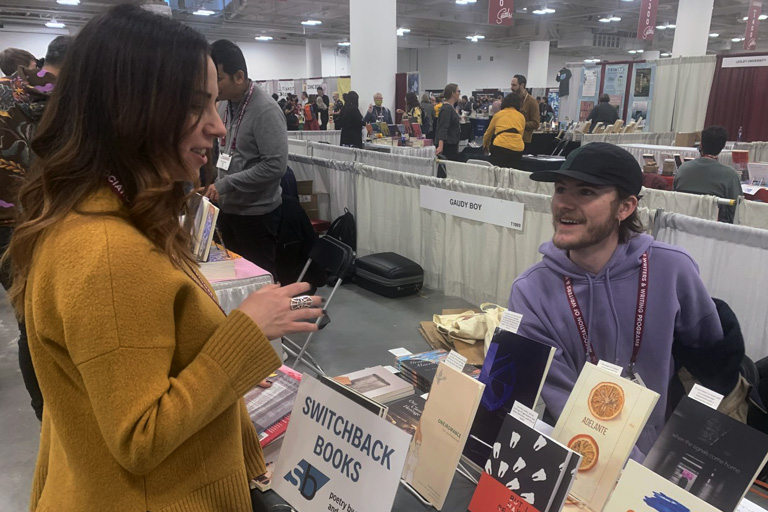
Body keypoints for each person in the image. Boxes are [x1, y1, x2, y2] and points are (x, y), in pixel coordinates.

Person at [5, 5, 324, 511]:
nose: (218, 127)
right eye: (197, 106)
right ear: (131, 108)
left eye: (217, 104)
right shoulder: (108, 252)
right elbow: (140, 436)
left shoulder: (100, 217)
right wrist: (243, 336)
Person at [508, 142, 734, 458]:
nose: (564, 204)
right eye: (561, 189)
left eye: (586, 192)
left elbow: (710, 356)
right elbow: (562, 397)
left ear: (625, 207)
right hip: (582, 454)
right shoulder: (531, 292)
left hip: (665, 449)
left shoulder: (672, 268)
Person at [0, 35, 72, 422]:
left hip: (6, 227)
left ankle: (44, 412)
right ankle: (55, 411)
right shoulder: (62, 101)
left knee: (27, 319)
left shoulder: (6, 90)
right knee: (45, 320)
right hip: (37, 222)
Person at [208, 39, 288, 276]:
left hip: (257, 216)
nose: (215, 85)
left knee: (258, 281)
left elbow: (275, 166)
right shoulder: (223, 106)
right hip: (228, 209)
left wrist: (226, 183)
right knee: (232, 276)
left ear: (239, 77)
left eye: (218, 78)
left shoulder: (266, 111)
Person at [674, 126, 743, 223]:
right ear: (722, 147)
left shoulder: (683, 169)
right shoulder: (730, 175)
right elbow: (738, 211)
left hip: (681, 224)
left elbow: (673, 198)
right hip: (715, 229)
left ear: (701, 144)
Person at [482, 92, 525, 168]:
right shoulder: (521, 117)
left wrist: (485, 145)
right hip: (517, 148)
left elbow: (488, 133)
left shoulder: (498, 115)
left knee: (497, 172)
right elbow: (521, 135)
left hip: (500, 146)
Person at [511, 74, 540, 149]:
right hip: (511, 139)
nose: (511, 88)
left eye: (514, 85)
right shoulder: (512, 100)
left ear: (522, 85)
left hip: (524, 141)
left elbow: (536, 123)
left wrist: (519, 124)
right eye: (511, 85)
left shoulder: (532, 102)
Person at [435, 83, 461, 161]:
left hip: (452, 143)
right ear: (452, 93)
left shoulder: (451, 108)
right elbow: (443, 128)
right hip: (448, 145)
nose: (459, 93)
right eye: (458, 91)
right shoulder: (447, 109)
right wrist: (440, 146)